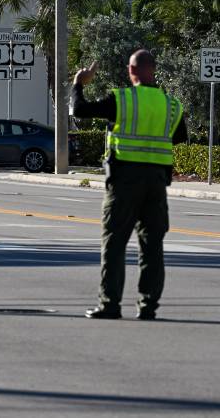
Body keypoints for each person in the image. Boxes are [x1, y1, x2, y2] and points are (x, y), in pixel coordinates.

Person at [71, 49, 187, 320]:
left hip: (124, 181)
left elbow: (80, 109)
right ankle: (148, 307)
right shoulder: (171, 105)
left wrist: (78, 83)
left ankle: (110, 304)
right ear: (153, 70)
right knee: (152, 245)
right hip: (156, 182)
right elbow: (179, 136)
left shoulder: (121, 99)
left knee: (114, 242)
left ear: (131, 71)